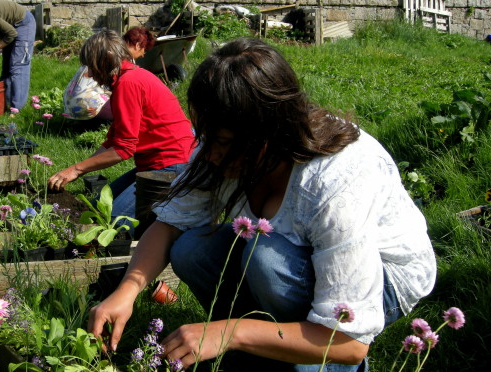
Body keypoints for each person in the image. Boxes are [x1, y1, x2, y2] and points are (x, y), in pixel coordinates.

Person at [87, 38, 437, 371]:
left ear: (269, 132)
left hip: (383, 276)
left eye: (222, 141)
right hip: (290, 257)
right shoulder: (225, 146)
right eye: (206, 135)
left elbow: (349, 342)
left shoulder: (334, 184)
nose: (209, 154)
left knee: (267, 260)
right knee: (192, 248)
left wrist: (230, 331)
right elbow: (169, 225)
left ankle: (292, 356)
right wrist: (127, 290)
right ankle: (260, 354)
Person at [49, 30, 195, 220]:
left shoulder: (129, 83)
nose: (91, 74)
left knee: (112, 223)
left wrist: (77, 169)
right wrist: (76, 170)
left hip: (172, 165)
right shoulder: (126, 79)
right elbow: (114, 140)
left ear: (106, 61)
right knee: (95, 210)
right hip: (155, 163)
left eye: (92, 67)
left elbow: (123, 149)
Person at [63, 27, 156, 121]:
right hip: (87, 105)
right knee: (134, 107)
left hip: (68, 104)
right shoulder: (124, 58)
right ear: (138, 45)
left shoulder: (105, 47)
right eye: (145, 50)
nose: (143, 55)